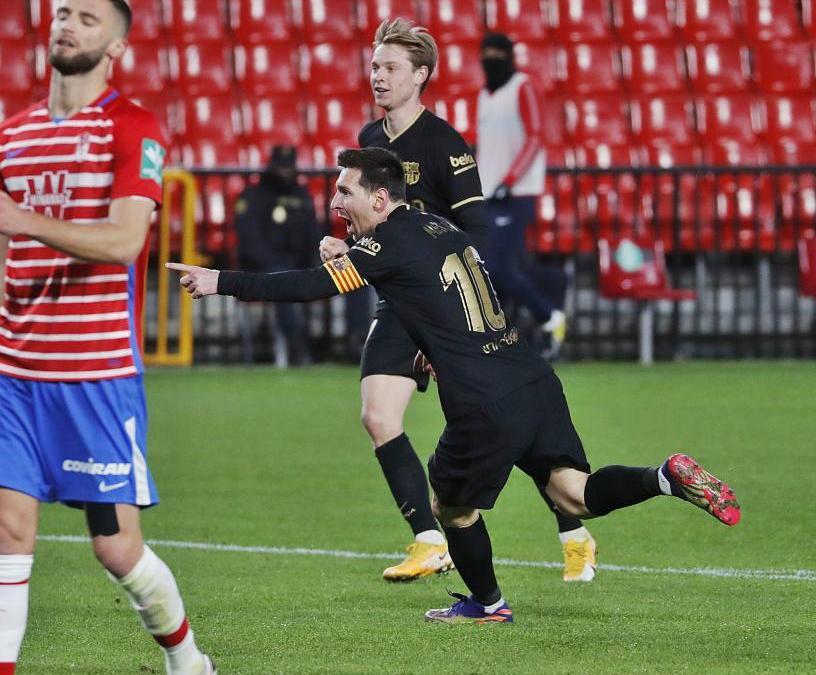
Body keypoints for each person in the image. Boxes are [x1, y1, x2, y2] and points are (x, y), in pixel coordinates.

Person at [168, 147, 740, 623]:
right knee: (575, 494)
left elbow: (309, 286)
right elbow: (427, 290)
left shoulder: (385, 243)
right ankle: (662, 477)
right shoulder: (437, 227)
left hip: (482, 399)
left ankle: (488, 604)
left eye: (345, 192)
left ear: (380, 198)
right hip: (530, 374)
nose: (335, 201)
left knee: (451, 505)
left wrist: (220, 279)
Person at [0, 2, 214, 674]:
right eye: (63, 12)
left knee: (116, 549)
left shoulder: (133, 127)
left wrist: (23, 217)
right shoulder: (9, 136)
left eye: (88, 19)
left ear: (117, 46)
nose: (68, 24)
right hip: (15, 374)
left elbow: (128, 240)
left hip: (96, 374)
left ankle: (187, 658)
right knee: (6, 531)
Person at [320, 18, 597, 584]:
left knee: (488, 425)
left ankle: (572, 524)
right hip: (399, 305)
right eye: (374, 66)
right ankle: (428, 539)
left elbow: (476, 232)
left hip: (448, 305)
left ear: (420, 75)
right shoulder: (369, 142)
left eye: (390, 67)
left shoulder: (444, 144)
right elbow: (373, 230)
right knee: (378, 416)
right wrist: (342, 245)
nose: (377, 76)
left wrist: (468, 308)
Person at [476, 32, 568, 360]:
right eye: (486, 52)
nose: (491, 58)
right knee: (504, 268)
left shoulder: (523, 87)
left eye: (497, 53)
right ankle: (556, 283)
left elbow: (536, 137)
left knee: (495, 268)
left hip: (516, 193)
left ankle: (549, 316)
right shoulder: (483, 96)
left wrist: (510, 179)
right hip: (489, 194)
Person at [233, 145, 318, 366]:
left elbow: (313, 235)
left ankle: (356, 343)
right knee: (282, 279)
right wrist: (277, 264)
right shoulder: (253, 195)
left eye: (289, 168)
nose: (285, 173)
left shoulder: (302, 195)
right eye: (281, 168)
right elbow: (250, 243)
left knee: (352, 274)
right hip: (263, 268)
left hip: (299, 266)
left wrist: (318, 263)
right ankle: (297, 348)